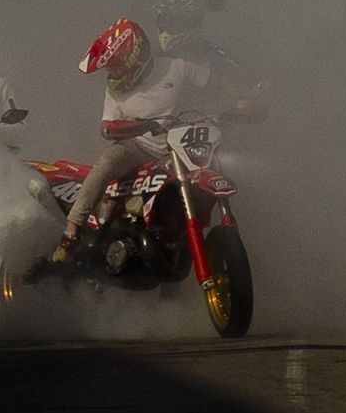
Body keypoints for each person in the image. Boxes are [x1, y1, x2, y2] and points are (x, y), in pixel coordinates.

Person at [51, 18, 239, 263]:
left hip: (179, 146)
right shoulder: (115, 92)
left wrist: (237, 98)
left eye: (116, 67)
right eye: (110, 68)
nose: (113, 74)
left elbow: (215, 79)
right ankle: (71, 231)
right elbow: (107, 128)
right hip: (137, 147)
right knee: (109, 160)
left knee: (204, 173)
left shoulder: (176, 67)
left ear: (136, 58)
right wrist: (143, 126)